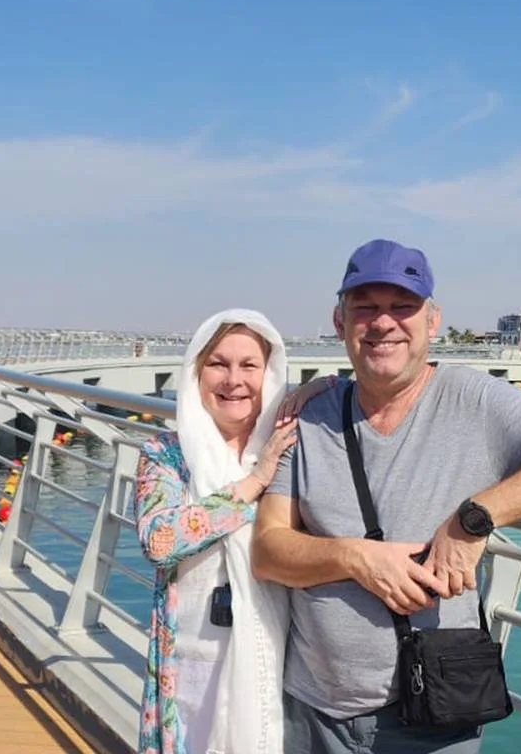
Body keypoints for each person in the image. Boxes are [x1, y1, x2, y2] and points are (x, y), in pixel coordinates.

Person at [252, 239, 521, 754]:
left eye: (402, 306)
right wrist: (356, 558)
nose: (384, 322)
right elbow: (267, 549)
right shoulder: (311, 414)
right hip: (313, 709)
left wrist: (472, 520)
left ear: (432, 321)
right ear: (340, 323)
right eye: (365, 307)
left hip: (433, 710)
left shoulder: (472, 400)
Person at [133, 309, 335, 754]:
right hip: (190, 663)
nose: (233, 380)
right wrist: (254, 483)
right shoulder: (168, 454)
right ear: (196, 372)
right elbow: (160, 541)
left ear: (271, 374)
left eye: (249, 366)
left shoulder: (288, 447)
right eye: (218, 364)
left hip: (275, 659)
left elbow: (353, 394)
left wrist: (314, 389)